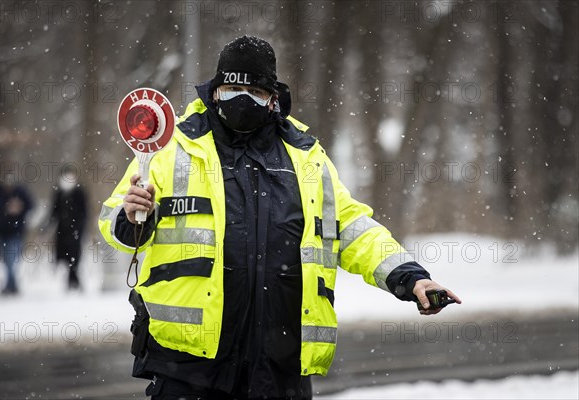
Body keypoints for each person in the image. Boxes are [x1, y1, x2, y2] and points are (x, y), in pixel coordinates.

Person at [99, 36, 461, 400]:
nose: (242, 98)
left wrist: (410, 278)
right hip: (188, 366)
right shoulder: (172, 146)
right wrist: (132, 217)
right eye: (232, 87)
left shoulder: (305, 156)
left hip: (280, 368)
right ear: (214, 91)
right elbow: (117, 217)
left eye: (254, 90)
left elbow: (351, 228)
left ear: (273, 98)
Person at [0, 173, 34, 296]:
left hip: (17, 232)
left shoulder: (21, 192)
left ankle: (10, 285)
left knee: (11, 259)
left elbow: (31, 206)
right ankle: (13, 285)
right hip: (1, 232)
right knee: (5, 260)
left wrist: (20, 207)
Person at [49, 165, 88, 290]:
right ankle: (72, 280)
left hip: (76, 229)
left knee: (75, 255)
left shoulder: (79, 192)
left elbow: (84, 211)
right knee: (64, 256)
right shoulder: (59, 192)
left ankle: (74, 280)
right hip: (62, 230)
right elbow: (54, 211)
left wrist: (81, 225)